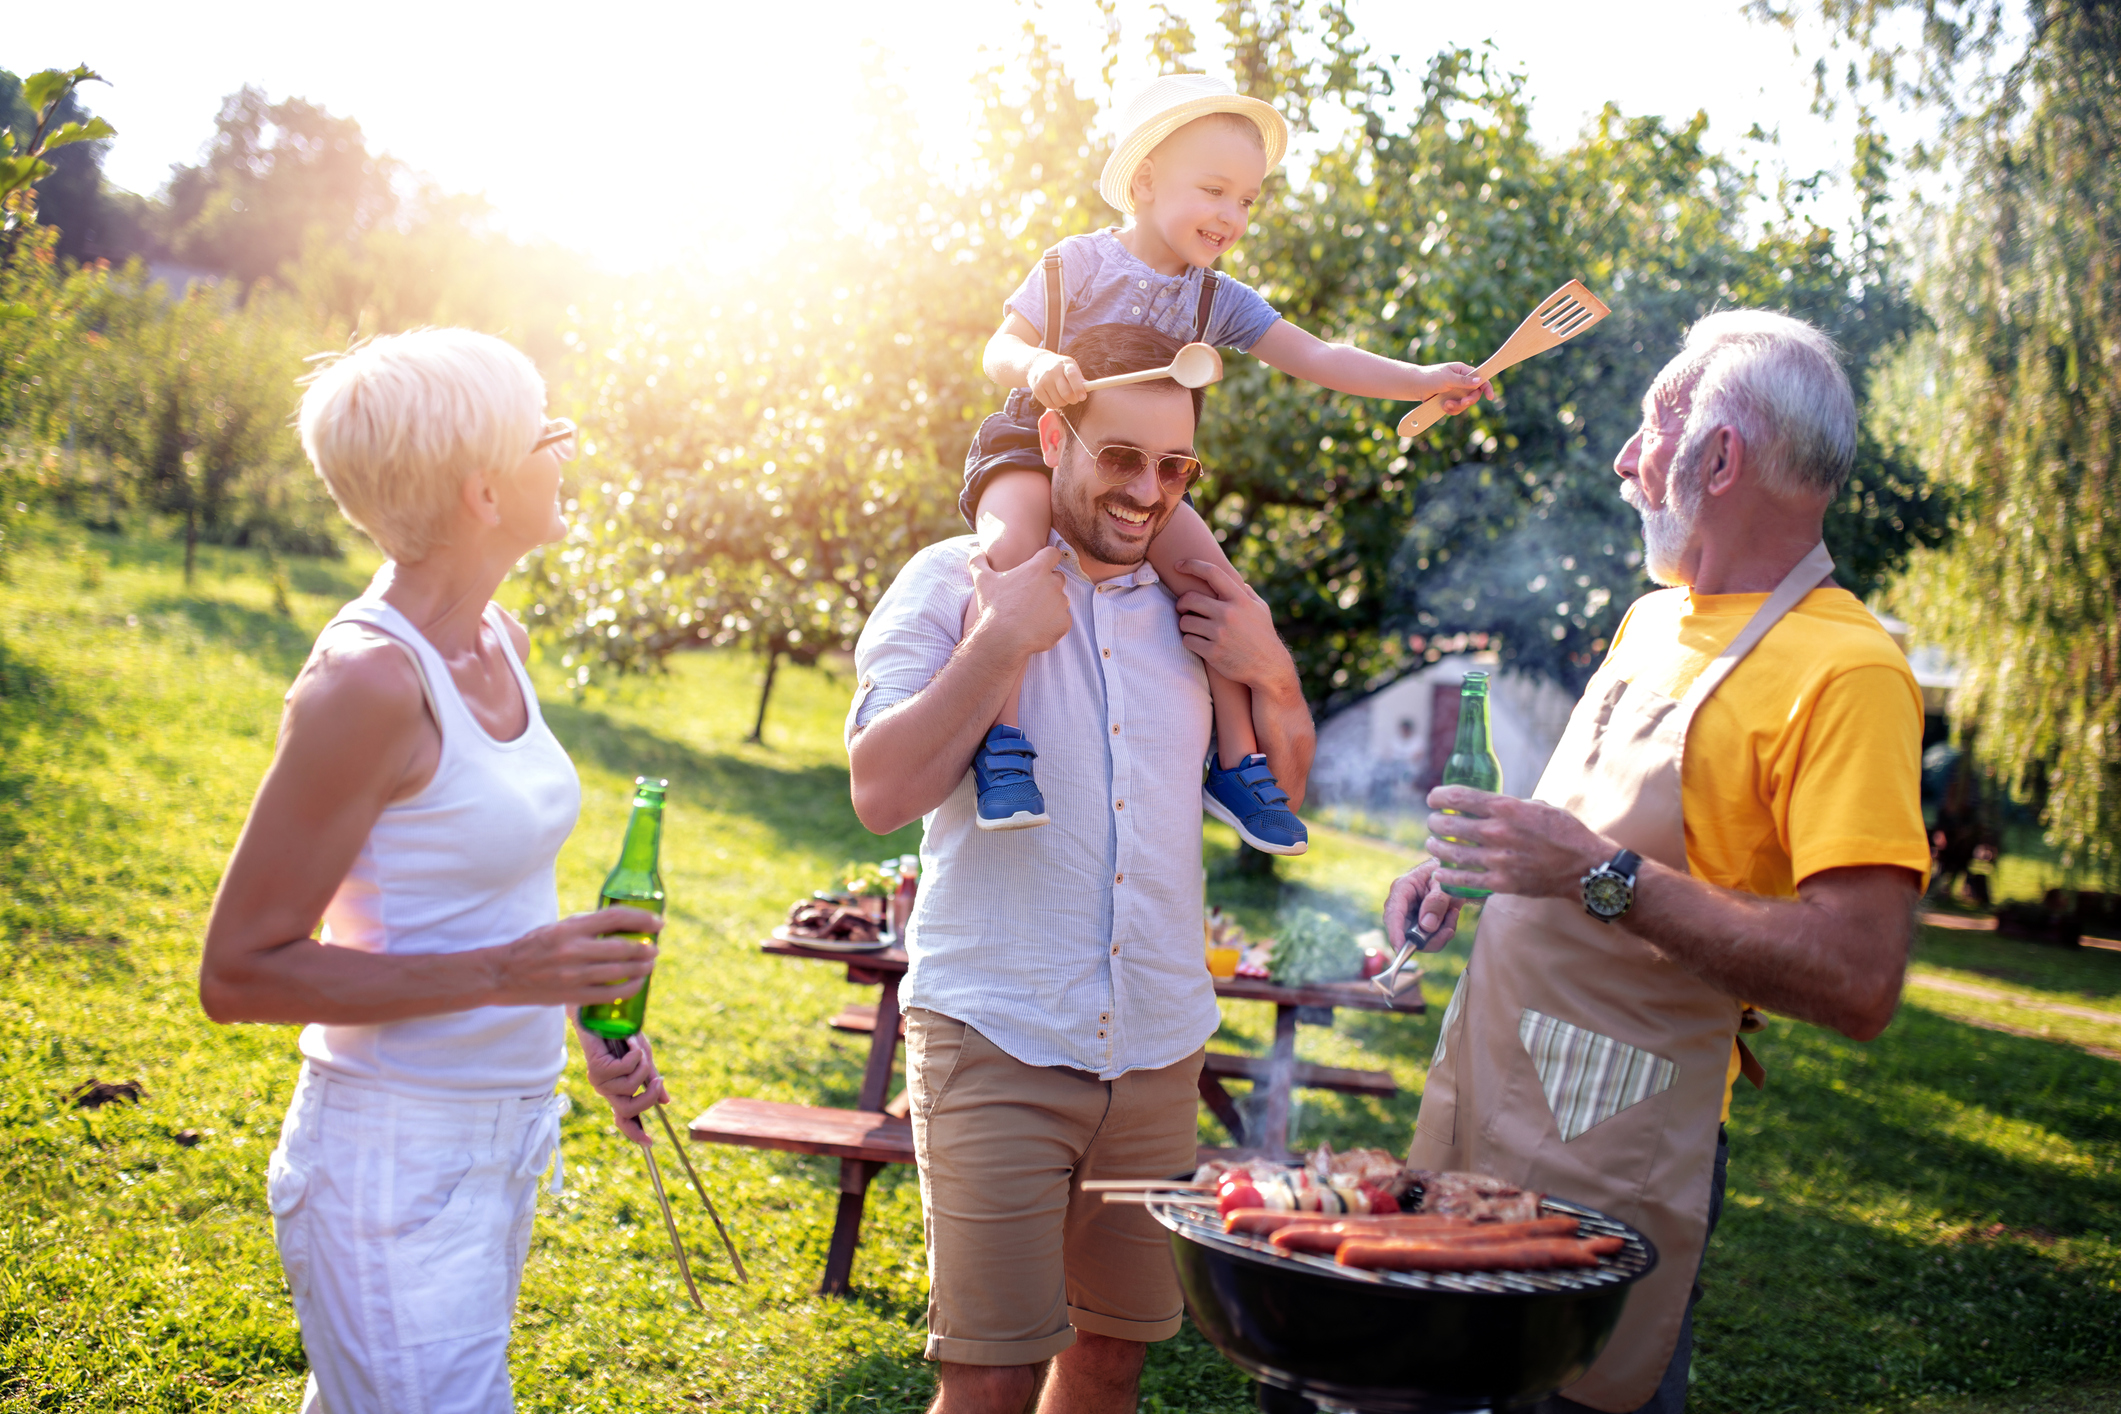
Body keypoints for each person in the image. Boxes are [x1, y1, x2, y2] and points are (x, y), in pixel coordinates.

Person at [1384, 310, 1931, 1414]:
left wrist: (1596, 872)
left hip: (1612, 1148)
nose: (1627, 462)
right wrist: (1477, 864)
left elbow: (1860, 978)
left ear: (1718, 457)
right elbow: (1582, 829)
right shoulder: (1650, 620)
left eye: (1648, 429)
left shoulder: (1850, 672)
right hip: (1479, 1105)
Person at [198, 328, 673, 1413]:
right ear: (484, 490)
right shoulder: (366, 682)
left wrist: (584, 1023)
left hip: (502, 1135)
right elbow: (239, 972)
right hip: (390, 1160)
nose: (570, 446)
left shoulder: (495, 635)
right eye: (547, 432)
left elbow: (469, 890)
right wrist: (514, 972)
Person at [848, 322, 1316, 1414]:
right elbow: (879, 790)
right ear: (1054, 435)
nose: (1146, 490)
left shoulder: (1198, 612)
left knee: (1111, 1356)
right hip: (997, 1032)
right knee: (993, 1371)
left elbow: (1281, 795)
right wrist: (999, 642)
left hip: (1157, 1046)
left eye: (1174, 468)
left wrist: (1276, 676)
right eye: (1120, 457)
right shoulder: (949, 583)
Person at [961, 72, 1491, 853]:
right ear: (1143, 183)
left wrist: (1420, 382)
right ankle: (999, 746)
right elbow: (995, 347)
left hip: (1136, 469)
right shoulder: (1073, 266)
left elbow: (1317, 354)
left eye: (1247, 200)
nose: (1231, 215)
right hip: (1031, 447)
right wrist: (1036, 364)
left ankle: (1236, 764)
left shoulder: (1220, 301)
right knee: (1010, 555)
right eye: (1213, 190)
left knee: (1218, 589)